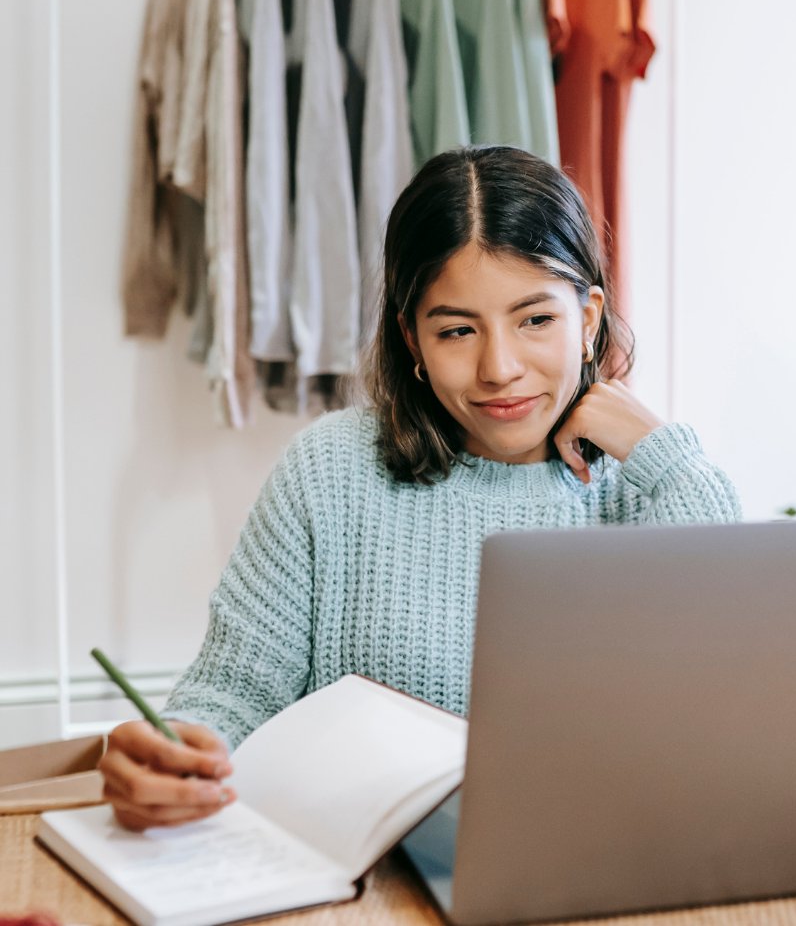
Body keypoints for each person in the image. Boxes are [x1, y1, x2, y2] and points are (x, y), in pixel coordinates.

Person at [99, 146, 742, 831]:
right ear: (412, 337)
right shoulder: (331, 469)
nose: (500, 369)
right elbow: (230, 695)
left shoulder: (643, 485)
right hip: (364, 882)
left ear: (587, 319)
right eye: (458, 330)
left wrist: (664, 453)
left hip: (586, 864)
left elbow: (728, 688)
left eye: (536, 320)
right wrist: (171, 757)